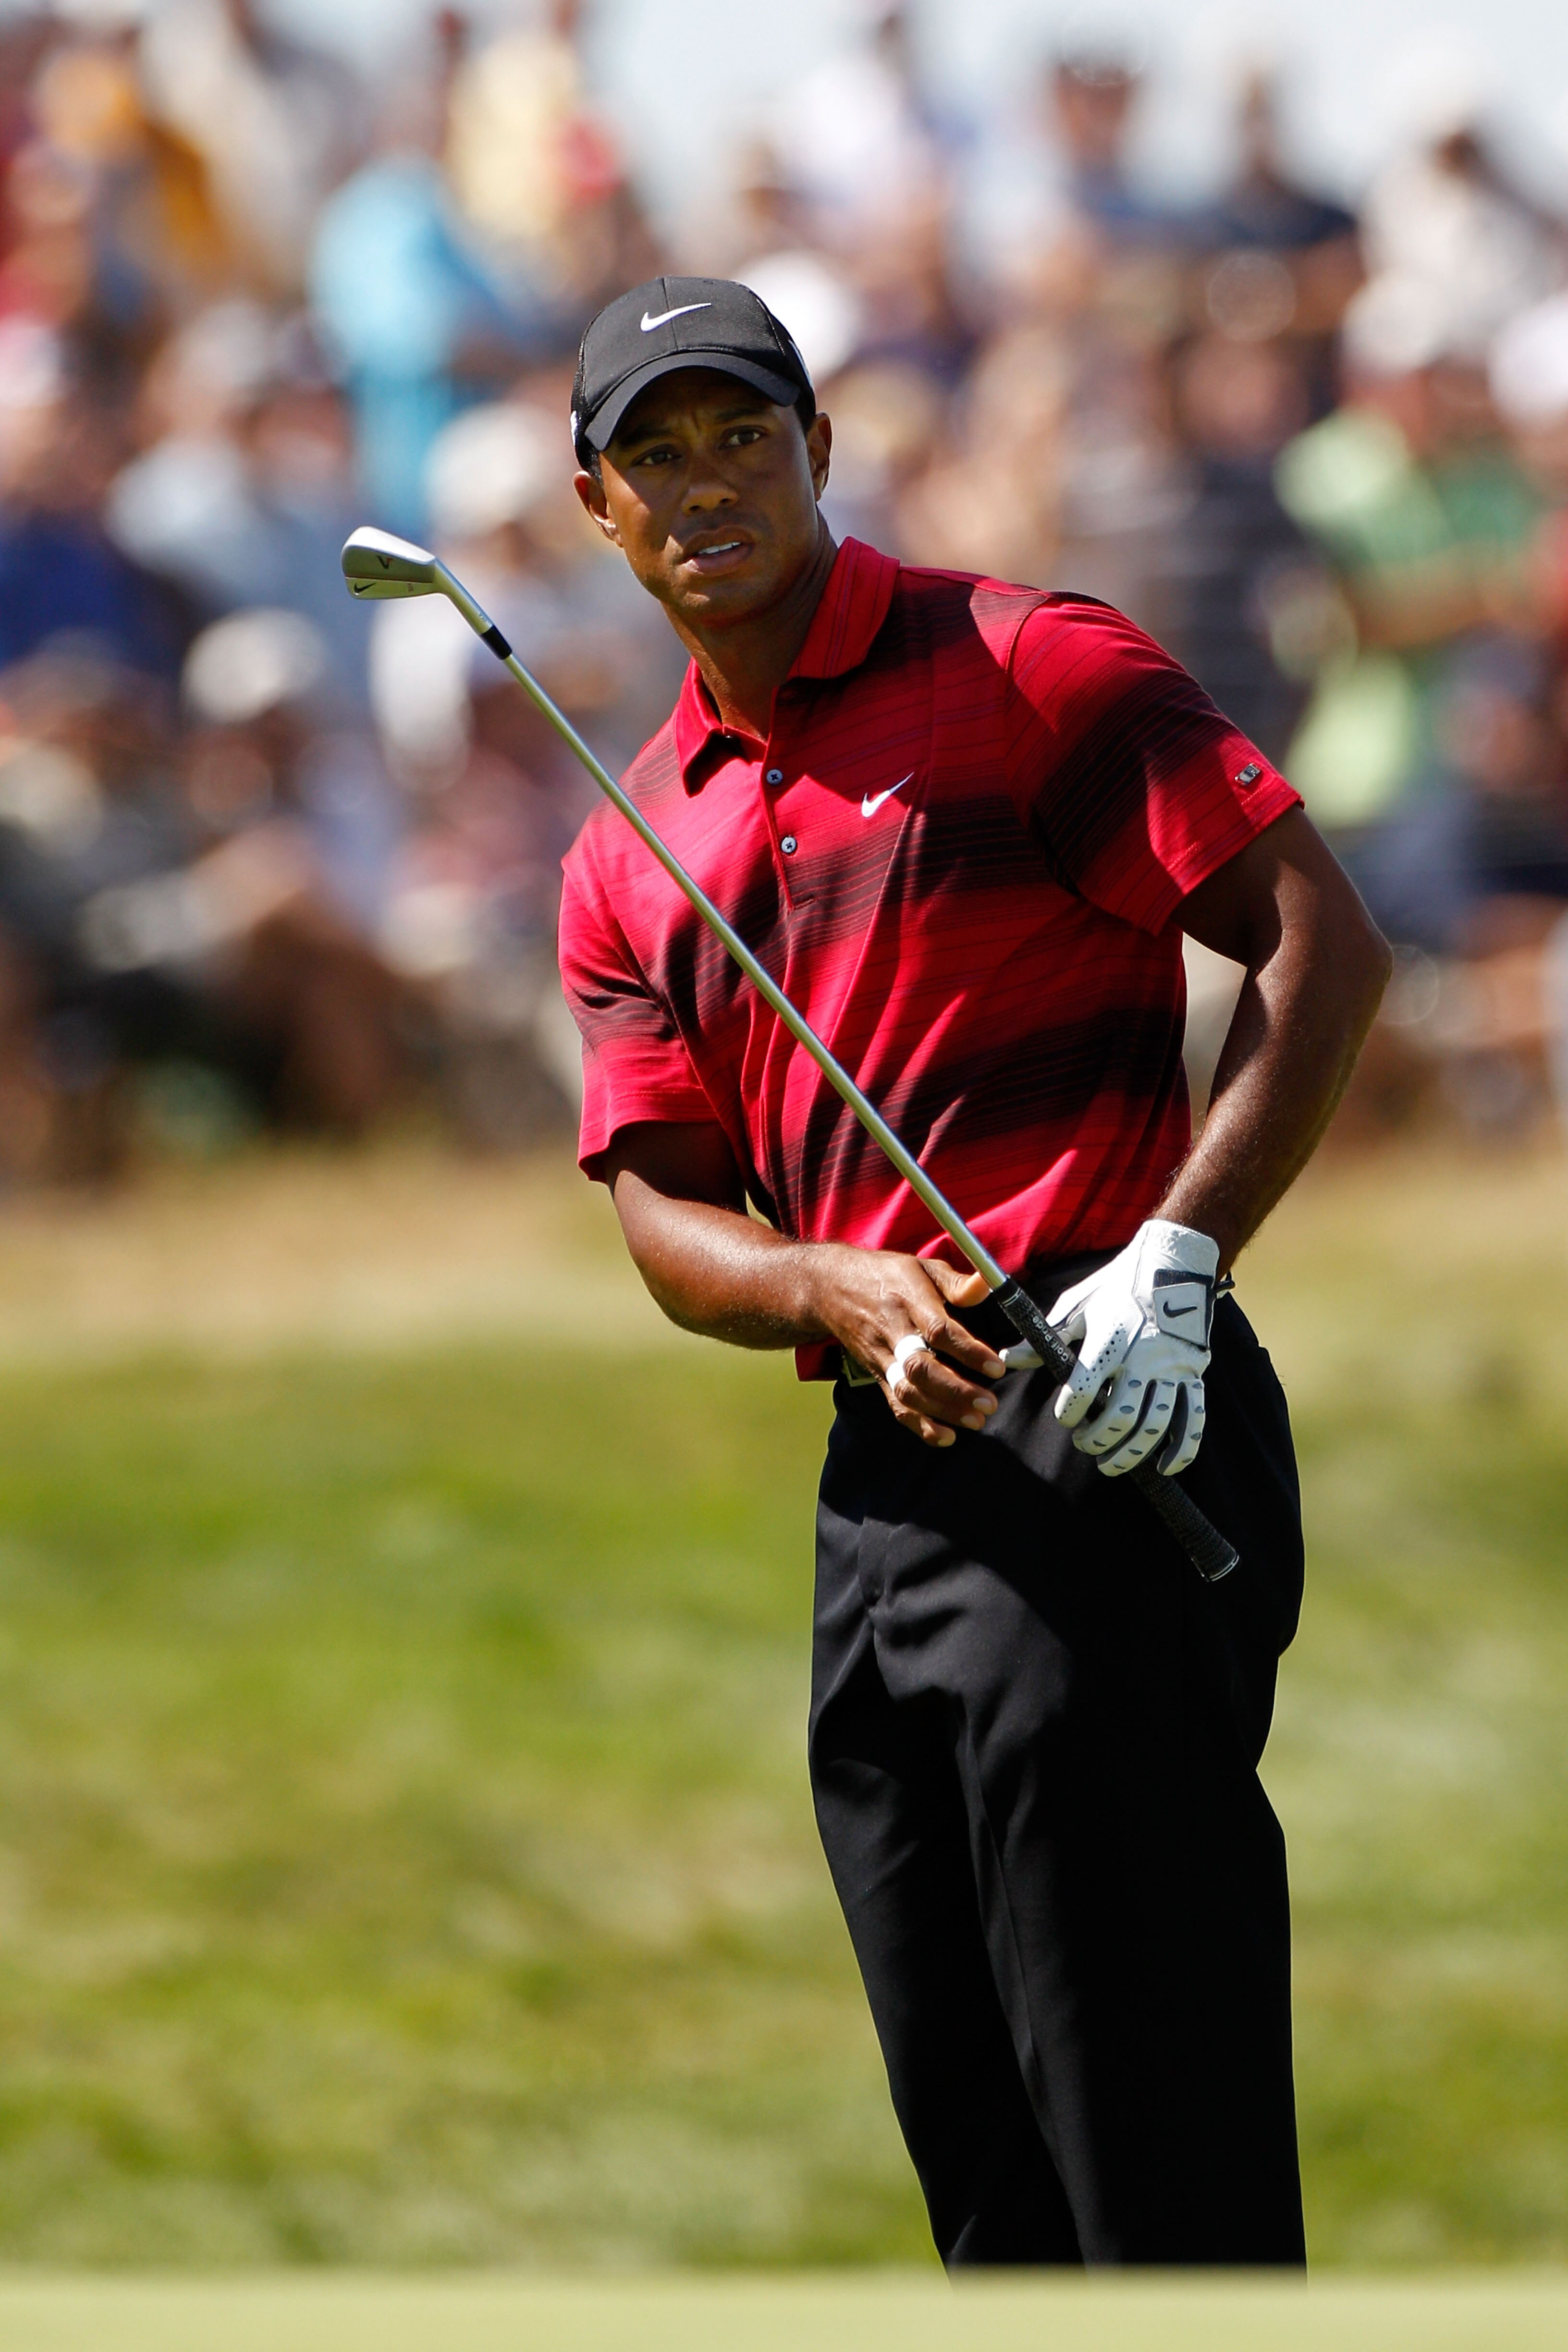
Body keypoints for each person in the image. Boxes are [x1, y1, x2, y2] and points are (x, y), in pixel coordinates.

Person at [555, 276, 1391, 2267]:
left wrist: (1182, 1252)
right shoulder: (631, 837)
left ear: (820, 449)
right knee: (987, 2177)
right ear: (595, 510)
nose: (706, 487)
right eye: (654, 456)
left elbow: (1317, 947)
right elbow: (664, 1211)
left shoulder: (1028, 660)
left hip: (1110, 1415)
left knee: (1149, 2146)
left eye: (741, 435)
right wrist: (824, 1288)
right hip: (886, 1499)